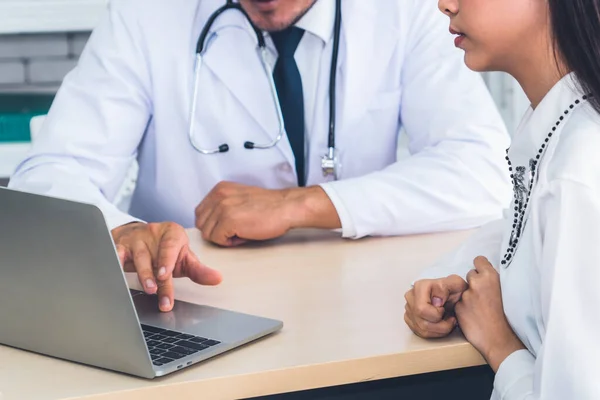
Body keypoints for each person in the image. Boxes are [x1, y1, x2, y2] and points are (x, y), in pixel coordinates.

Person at [9, 0, 510, 312]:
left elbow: (485, 170)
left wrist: (304, 204)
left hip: (361, 305)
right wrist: (121, 230)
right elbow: (50, 172)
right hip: (189, 304)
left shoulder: (404, 11)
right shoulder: (145, 14)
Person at [405, 0, 600, 398]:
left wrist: (500, 346)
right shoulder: (558, 123)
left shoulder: (578, 169)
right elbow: (520, 230)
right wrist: (458, 277)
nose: (445, 5)